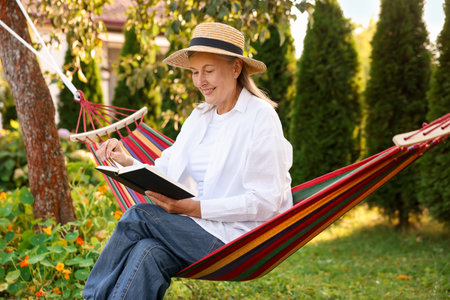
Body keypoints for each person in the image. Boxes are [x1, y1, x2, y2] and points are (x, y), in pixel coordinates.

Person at [83, 22, 293, 300]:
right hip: (194, 232)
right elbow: (166, 171)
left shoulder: (260, 118)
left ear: (235, 68)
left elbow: (266, 201)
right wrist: (126, 161)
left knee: (139, 216)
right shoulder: (199, 117)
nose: (200, 81)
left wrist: (196, 208)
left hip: (238, 242)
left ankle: (89, 298)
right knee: (148, 253)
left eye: (208, 70)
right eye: (195, 72)